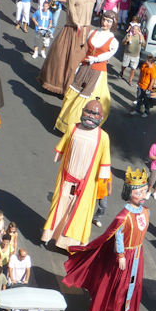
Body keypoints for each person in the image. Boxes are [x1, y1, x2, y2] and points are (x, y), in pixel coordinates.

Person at [63, 167, 150, 311]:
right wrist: (120, 255)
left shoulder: (146, 212)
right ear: (129, 193)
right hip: (125, 258)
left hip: (137, 257)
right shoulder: (123, 216)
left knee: (131, 290)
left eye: (143, 190)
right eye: (138, 191)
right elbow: (117, 234)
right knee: (115, 291)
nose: (142, 194)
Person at [42, 100, 111, 250]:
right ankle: (51, 236)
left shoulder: (103, 137)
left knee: (79, 214)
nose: (90, 116)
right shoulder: (72, 128)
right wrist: (59, 154)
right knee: (59, 206)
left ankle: (72, 245)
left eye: (95, 113)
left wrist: (103, 179)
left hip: (86, 184)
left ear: (101, 116)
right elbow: (64, 144)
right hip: (66, 178)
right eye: (88, 112)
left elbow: (105, 160)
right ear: (82, 111)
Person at [54, 11, 118, 134]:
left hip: (97, 71)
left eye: (109, 21)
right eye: (104, 19)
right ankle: (64, 124)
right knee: (73, 92)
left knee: (88, 97)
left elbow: (107, 55)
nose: (105, 23)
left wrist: (95, 59)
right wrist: (79, 63)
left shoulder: (113, 42)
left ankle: (78, 127)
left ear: (113, 23)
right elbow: (85, 49)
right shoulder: (92, 32)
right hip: (84, 66)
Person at [39, 0, 97, 95]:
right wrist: (80, 29)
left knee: (85, 62)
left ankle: (79, 87)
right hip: (74, 30)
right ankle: (66, 89)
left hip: (86, 30)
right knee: (70, 61)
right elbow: (72, 14)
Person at [120, 19, 145, 85]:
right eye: (133, 29)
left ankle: (130, 80)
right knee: (124, 65)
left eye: (136, 29)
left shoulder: (140, 36)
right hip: (127, 54)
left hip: (136, 56)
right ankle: (122, 72)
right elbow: (123, 43)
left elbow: (144, 44)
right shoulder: (128, 35)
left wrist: (143, 41)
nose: (134, 31)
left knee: (133, 69)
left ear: (138, 30)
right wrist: (126, 41)